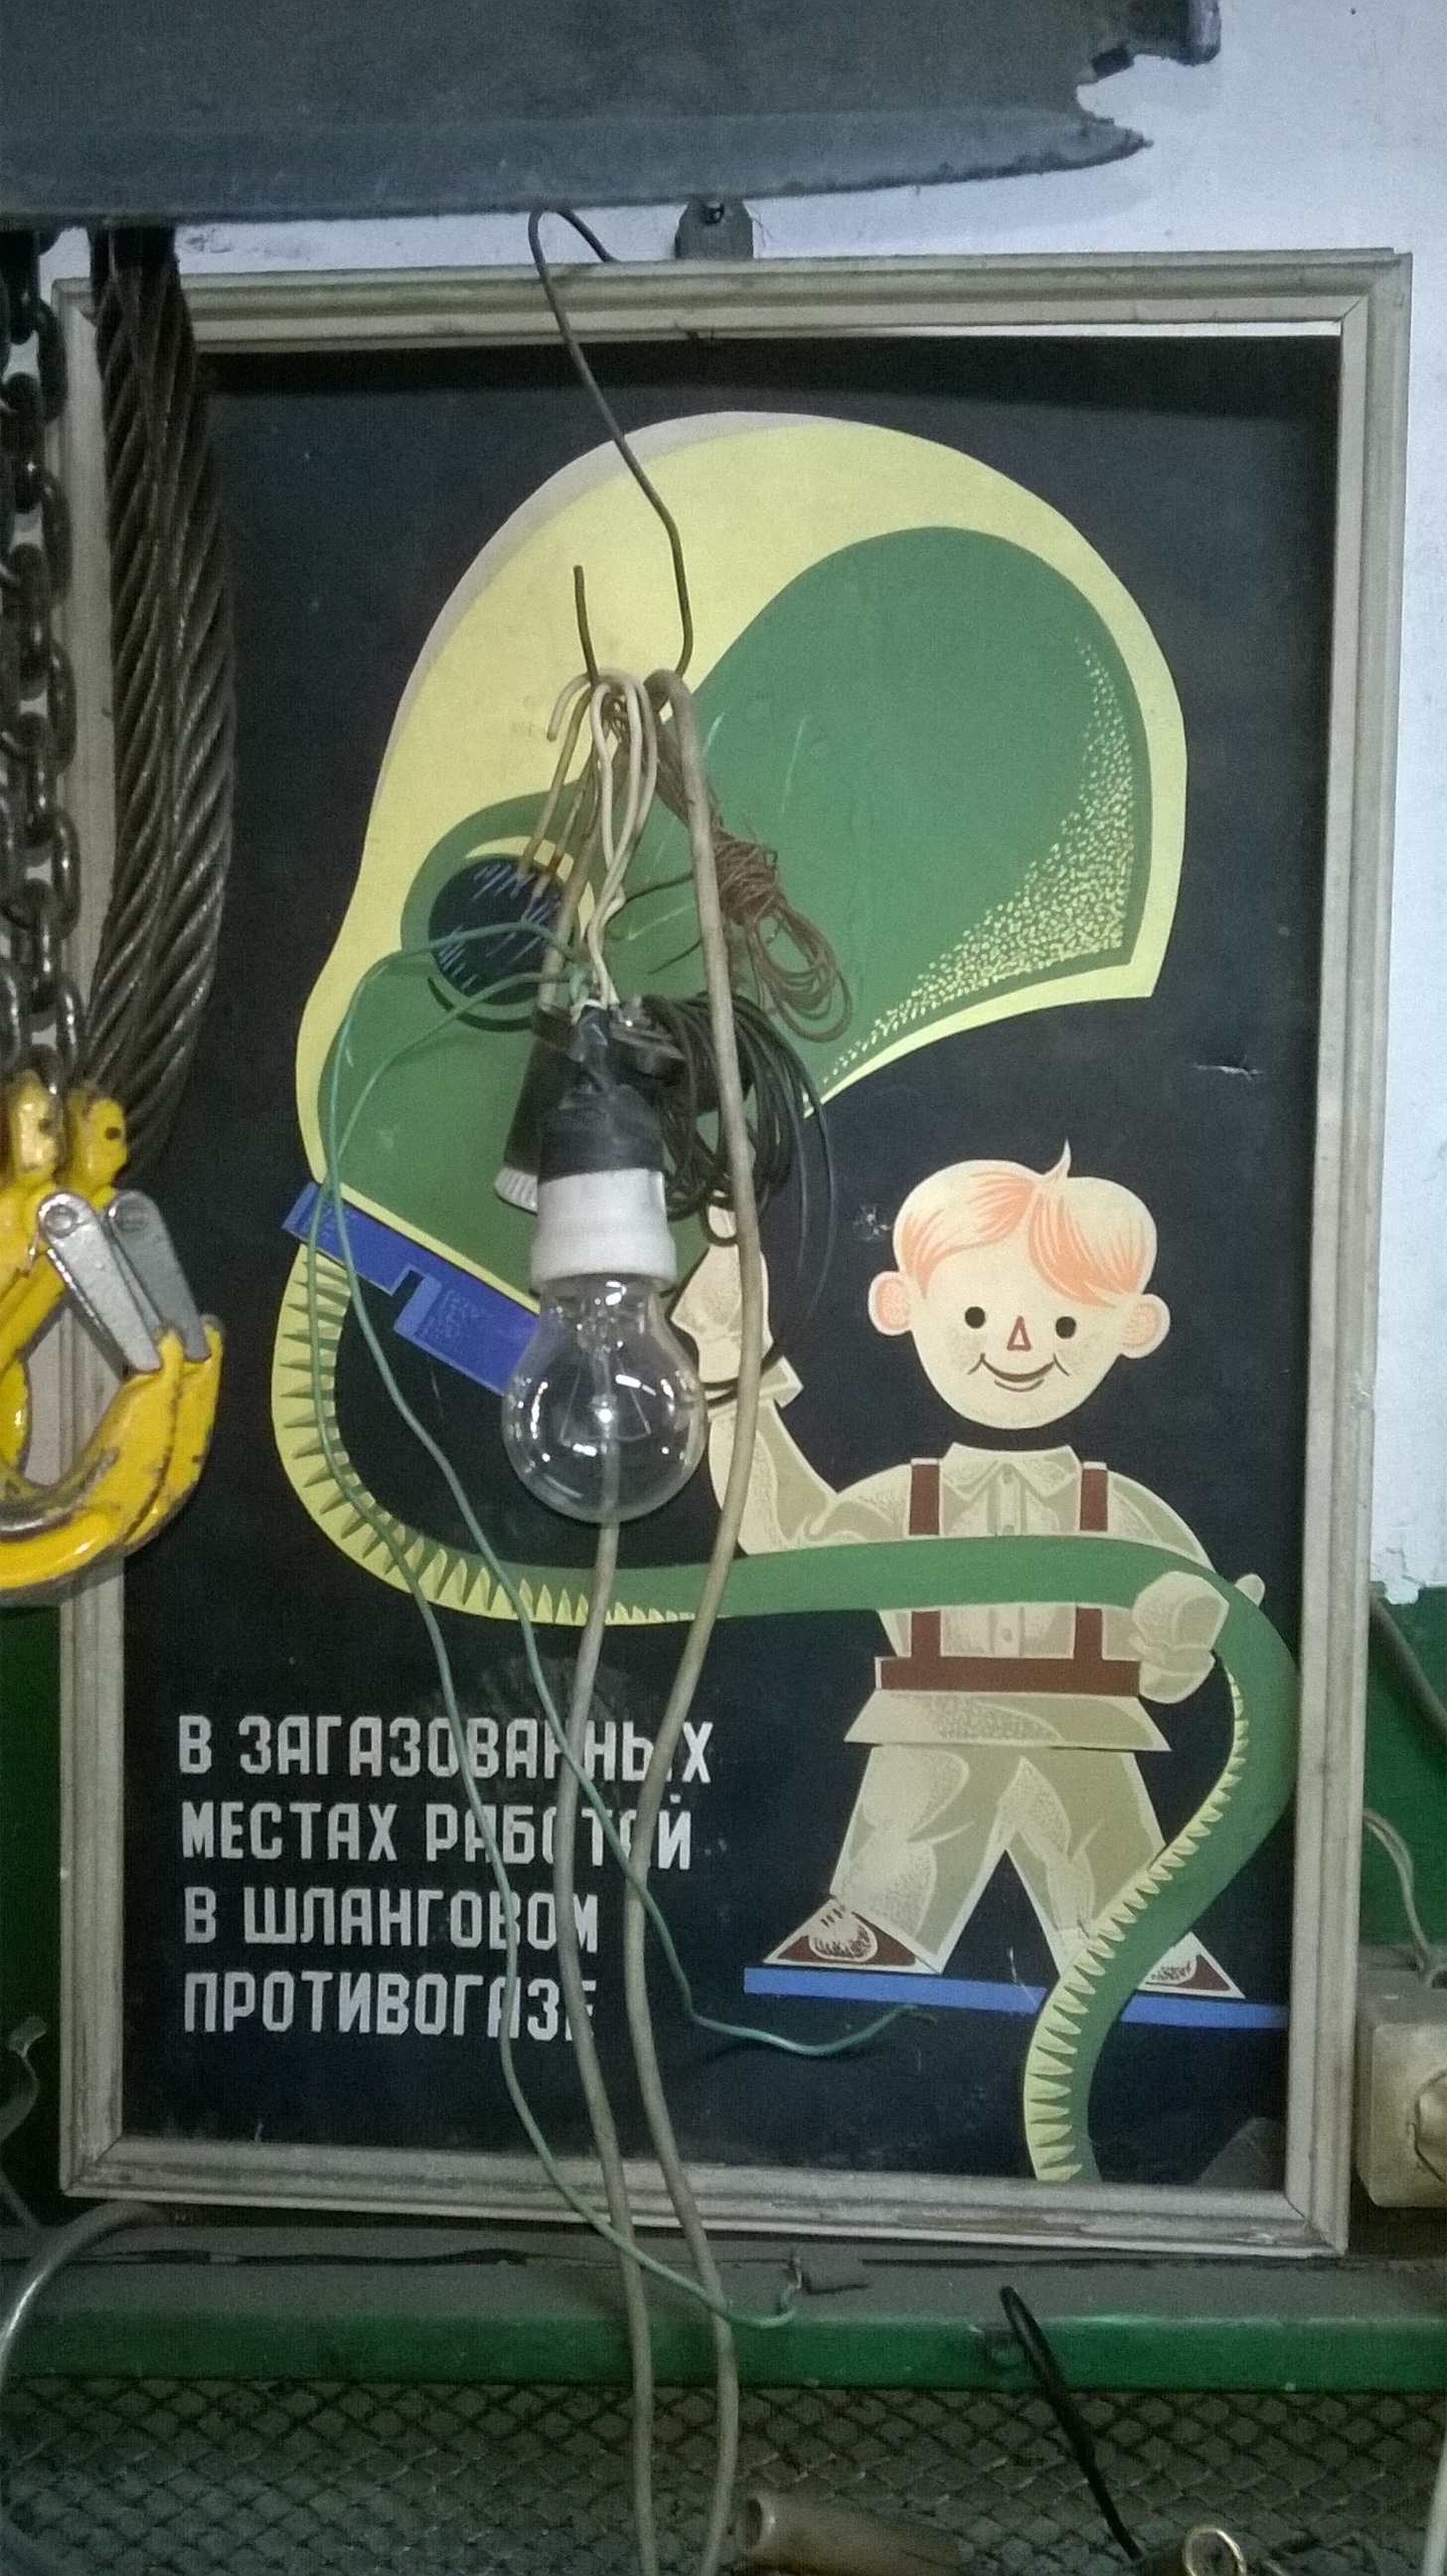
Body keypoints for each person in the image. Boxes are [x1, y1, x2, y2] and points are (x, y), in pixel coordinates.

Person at [672, 1149, 1262, 1996]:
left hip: (1085, 1747)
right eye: (977, 1313)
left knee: (1143, 1966)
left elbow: (1178, 1659)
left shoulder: (1123, 1513)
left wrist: (1184, 1639)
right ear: (899, 1305)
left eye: (1065, 1324)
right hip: (930, 1746)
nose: (1018, 1343)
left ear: (1132, 1327)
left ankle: (1138, 1968)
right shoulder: (902, 1504)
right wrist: (734, 1352)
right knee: (862, 1954)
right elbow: (783, 1530)